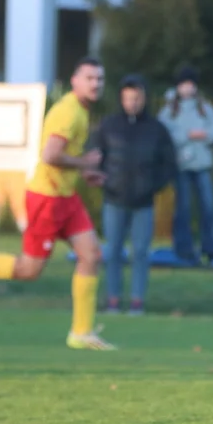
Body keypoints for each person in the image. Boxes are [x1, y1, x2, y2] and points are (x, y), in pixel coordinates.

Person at [0, 57, 115, 350]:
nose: (95, 84)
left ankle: (81, 332)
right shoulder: (68, 112)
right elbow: (50, 155)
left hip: (65, 198)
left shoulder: (79, 110)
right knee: (29, 270)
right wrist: (84, 162)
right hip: (47, 199)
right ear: (75, 80)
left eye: (99, 79)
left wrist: (84, 171)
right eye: (89, 78)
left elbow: (59, 158)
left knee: (91, 254)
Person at [92, 74, 176, 315]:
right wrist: (104, 182)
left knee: (140, 252)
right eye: (128, 98)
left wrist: (152, 186)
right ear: (121, 98)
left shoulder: (157, 130)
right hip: (114, 200)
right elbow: (95, 157)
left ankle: (138, 300)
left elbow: (168, 164)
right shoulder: (108, 126)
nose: (133, 102)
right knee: (113, 251)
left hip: (144, 203)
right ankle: (113, 300)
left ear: (144, 98)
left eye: (137, 98)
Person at [161, 64, 213, 265]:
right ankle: (184, 249)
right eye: (184, 85)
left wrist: (205, 135)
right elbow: (164, 134)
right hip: (181, 167)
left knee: (208, 208)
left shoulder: (204, 108)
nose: (188, 89)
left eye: (191, 85)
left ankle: (210, 248)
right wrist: (188, 136)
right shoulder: (169, 110)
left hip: (202, 165)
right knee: (184, 209)